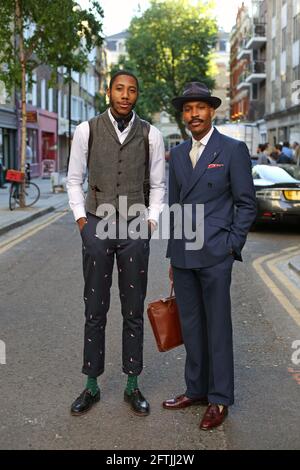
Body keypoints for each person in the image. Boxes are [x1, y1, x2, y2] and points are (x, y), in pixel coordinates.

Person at [67, 71, 166, 417]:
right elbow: (74, 179)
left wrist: (151, 222)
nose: (125, 95)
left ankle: (132, 385)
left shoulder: (151, 134)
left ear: (137, 95)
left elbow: (157, 184)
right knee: (94, 309)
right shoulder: (87, 130)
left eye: (132, 90)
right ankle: (91, 385)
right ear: (108, 91)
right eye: (119, 89)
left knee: (133, 310)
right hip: (96, 225)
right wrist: (83, 222)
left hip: (135, 229)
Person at [162, 82, 256, 431]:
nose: (194, 114)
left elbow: (247, 204)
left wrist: (230, 246)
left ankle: (219, 399)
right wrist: (173, 257)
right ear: (184, 115)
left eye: (200, 107)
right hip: (184, 256)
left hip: (216, 255)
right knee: (192, 327)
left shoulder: (232, 150)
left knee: (217, 328)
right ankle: (195, 390)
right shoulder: (178, 155)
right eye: (188, 109)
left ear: (211, 111)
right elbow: (174, 208)